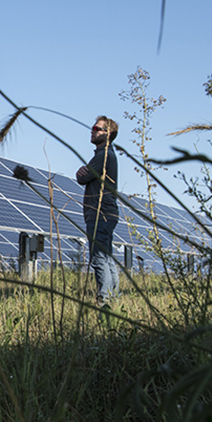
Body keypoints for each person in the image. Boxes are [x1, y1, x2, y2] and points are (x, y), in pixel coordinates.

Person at [76, 115, 120, 305]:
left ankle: (103, 299)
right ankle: (113, 296)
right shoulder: (106, 155)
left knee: (99, 258)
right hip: (107, 212)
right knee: (106, 256)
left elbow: (83, 178)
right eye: (92, 128)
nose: (92, 131)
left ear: (108, 133)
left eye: (97, 129)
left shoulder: (104, 155)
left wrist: (80, 173)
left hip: (100, 211)